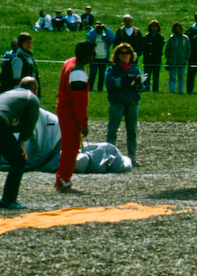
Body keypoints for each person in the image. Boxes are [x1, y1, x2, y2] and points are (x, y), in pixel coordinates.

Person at [0, 77, 41, 208]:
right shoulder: (32, 98)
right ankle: (8, 200)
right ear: (35, 89)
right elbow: (30, 124)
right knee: (19, 160)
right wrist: (21, 144)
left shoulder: (9, 92)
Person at [56, 41, 96, 192]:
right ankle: (63, 178)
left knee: (68, 145)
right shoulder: (78, 72)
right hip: (69, 111)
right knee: (71, 147)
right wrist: (83, 123)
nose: (94, 55)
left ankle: (62, 177)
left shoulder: (69, 62)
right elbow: (79, 102)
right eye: (93, 52)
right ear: (86, 55)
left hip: (63, 107)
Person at [105, 43, 143, 166]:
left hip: (132, 102)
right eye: (122, 53)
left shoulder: (135, 69)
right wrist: (122, 80)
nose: (125, 55)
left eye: (128, 53)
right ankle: (110, 156)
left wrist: (138, 84)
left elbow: (144, 87)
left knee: (132, 131)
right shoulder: (112, 69)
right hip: (117, 103)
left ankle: (132, 156)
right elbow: (109, 83)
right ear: (117, 55)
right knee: (112, 130)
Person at [85, 21, 114, 92]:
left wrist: (106, 29)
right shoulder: (93, 36)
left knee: (102, 75)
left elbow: (112, 38)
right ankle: (90, 87)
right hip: (94, 58)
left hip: (103, 58)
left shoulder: (105, 37)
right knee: (92, 74)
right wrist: (94, 29)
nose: (99, 29)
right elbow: (88, 36)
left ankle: (100, 88)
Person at [165, 21, 190, 93]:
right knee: (172, 77)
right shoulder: (171, 38)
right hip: (172, 60)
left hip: (182, 60)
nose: (177, 30)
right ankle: (172, 91)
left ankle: (180, 91)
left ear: (181, 29)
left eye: (178, 28)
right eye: (176, 29)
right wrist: (168, 58)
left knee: (181, 77)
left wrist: (186, 58)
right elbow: (167, 49)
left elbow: (188, 50)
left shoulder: (185, 38)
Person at [142, 20, 165, 92]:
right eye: (152, 27)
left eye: (155, 27)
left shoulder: (160, 37)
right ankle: (146, 88)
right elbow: (144, 47)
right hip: (148, 58)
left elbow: (159, 47)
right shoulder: (146, 36)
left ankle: (155, 89)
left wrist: (151, 45)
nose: (154, 28)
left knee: (156, 75)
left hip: (156, 58)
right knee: (147, 74)